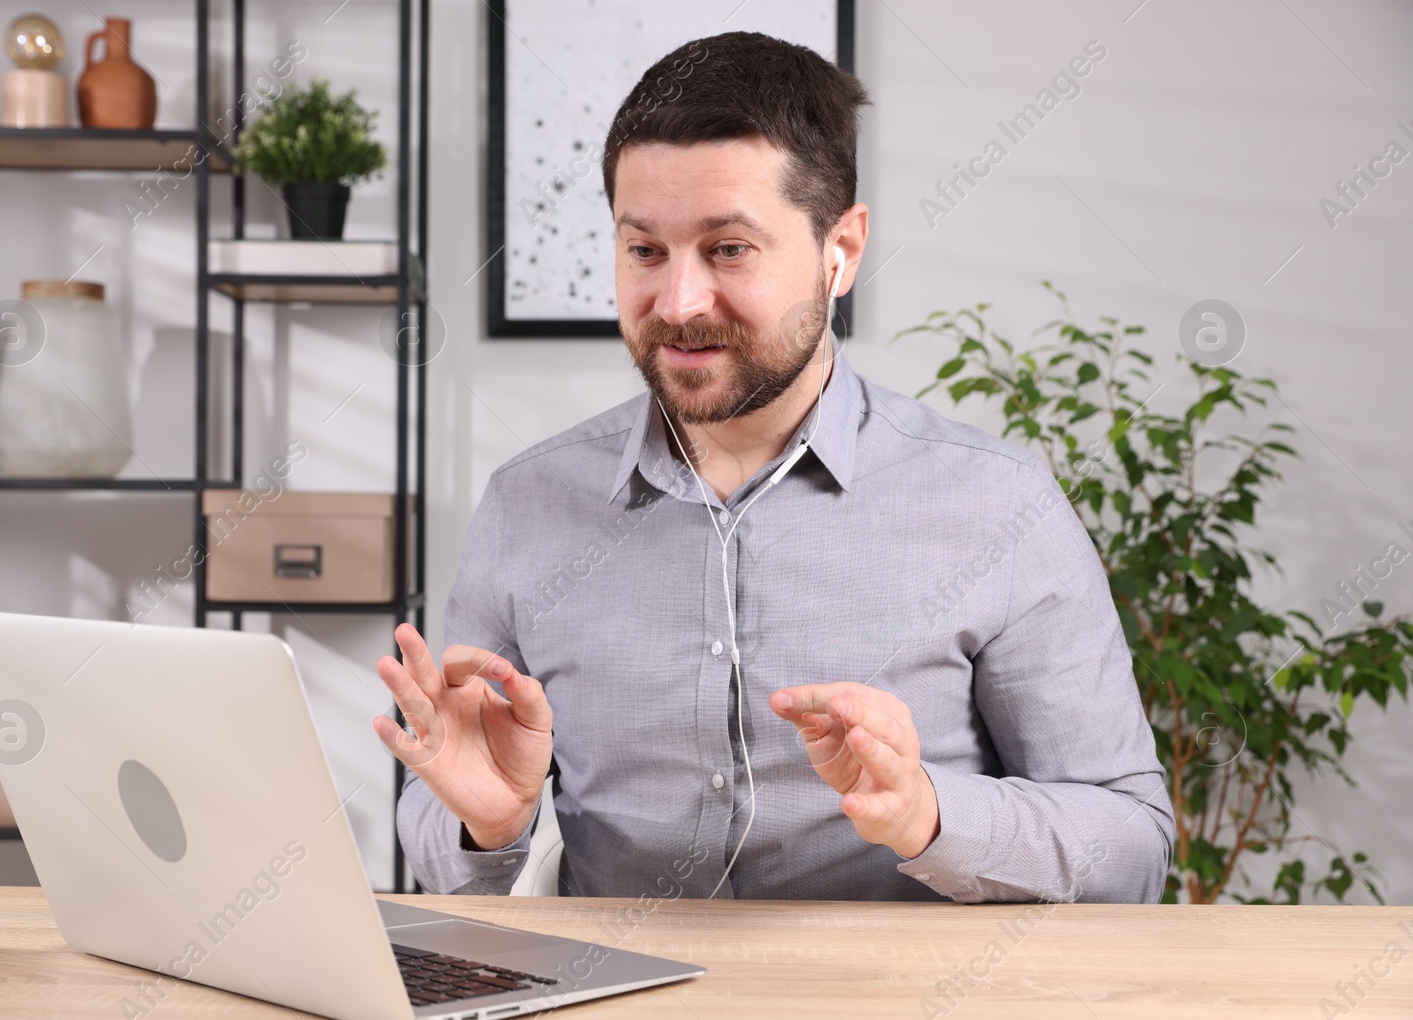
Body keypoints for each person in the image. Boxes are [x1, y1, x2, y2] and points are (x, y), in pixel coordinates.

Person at [373, 31, 1172, 903]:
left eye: (729, 249)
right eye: (644, 251)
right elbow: (441, 815)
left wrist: (931, 814)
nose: (677, 303)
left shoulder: (999, 506)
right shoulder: (526, 505)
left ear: (843, 250)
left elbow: (1131, 845)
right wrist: (487, 826)